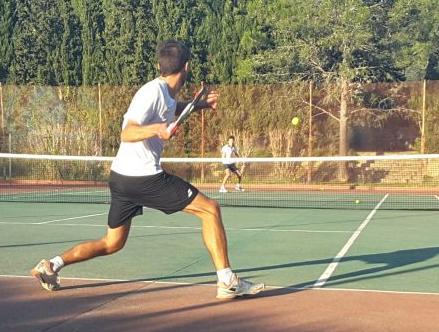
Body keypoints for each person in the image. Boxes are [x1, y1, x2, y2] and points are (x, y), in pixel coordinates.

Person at [30, 40, 265, 300]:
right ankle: (227, 281)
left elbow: (168, 109)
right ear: (187, 67)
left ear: (159, 65)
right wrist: (156, 130)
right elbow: (127, 132)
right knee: (210, 209)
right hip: (144, 178)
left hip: (121, 178)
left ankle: (51, 266)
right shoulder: (151, 92)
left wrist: (198, 105)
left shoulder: (164, 94)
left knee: (112, 243)